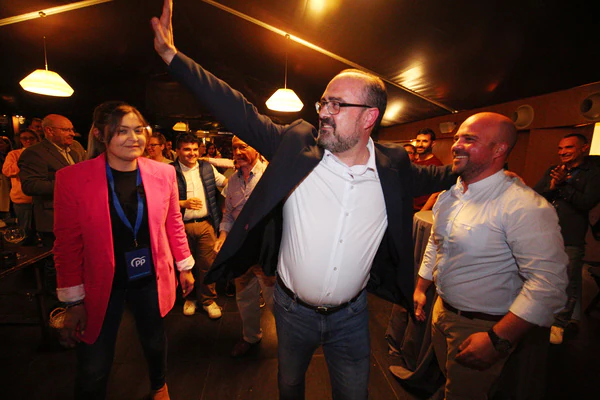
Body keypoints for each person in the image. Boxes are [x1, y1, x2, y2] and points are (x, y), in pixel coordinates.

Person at [152, 2, 455, 398]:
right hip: (291, 312)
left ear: (369, 117)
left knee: (353, 394)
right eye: (323, 103)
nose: (324, 112)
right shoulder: (297, 146)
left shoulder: (394, 166)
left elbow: (444, 173)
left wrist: (485, 168)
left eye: (336, 105)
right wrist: (173, 58)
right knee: (290, 386)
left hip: (353, 316)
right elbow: (237, 110)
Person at [413, 112, 568, 400]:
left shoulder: (523, 205)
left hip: (484, 325)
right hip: (442, 312)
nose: (456, 145)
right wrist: (422, 287)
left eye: (469, 139)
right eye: (457, 137)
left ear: (499, 150)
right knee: (452, 381)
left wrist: (499, 339)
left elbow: (549, 284)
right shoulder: (450, 195)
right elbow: (437, 243)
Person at [53, 102, 194, 400]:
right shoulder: (72, 179)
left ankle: (159, 385)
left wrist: (184, 265)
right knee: (95, 362)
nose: (134, 138)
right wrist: (73, 299)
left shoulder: (163, 173)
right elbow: (66, 243)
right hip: (101, 281)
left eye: (138, 130)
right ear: (100, 135)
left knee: (155, 340)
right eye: (122, 132)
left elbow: (173, 222)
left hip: (151, 276)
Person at [534, 133, 600, 344]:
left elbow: (586, 202)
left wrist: (564, 185)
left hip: (570, 235)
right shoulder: (554, 170)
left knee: (568, 280)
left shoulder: (594, 174)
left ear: (584, 148)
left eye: (568, 148)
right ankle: (539, 315)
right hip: (545, 232)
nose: (562, 152)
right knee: (542, 274)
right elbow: (536, 196)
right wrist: (552, 187)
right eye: (560, 148)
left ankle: (560, 323)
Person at [214, 136, 274, 357]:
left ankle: (290, 340)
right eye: (234, 148)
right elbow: (228, 214)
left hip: (266, 251)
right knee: (245, 297)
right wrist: (222, 236)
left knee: (274, 298)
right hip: (241, 250)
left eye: (243, 146)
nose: (238, 152)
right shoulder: (232, 181)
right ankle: (251, 337)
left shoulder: (272, 175)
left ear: (257, 149)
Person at [173, 133, 227, 319]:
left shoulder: (206, 167)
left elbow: (224, 182)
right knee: (186, 265)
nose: (192, 153)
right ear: (178, 150)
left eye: (195, 149)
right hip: (180, 226)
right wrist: (182, 203)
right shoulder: (170, 171)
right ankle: (189, 299)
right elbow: (161, 200)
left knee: (207, 264)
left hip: (206, 223)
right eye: (187, 149)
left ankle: (208, 300)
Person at [19, 114, 85, 247]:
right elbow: (30, 186)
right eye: (66, 130)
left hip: (76, 217)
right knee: (56, 264)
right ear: (49, 131)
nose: (72, 133)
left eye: (72, 129)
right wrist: (70, 185)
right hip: (53, 220)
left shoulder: (73, 153)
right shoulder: (34, 153)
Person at [2, 129, 39, 242]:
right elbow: (7, 170)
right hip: (22, 198)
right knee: (26, 232)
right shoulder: (14, 154)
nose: (28, 141)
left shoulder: (41, 154)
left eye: (31, 138)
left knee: (42, 231)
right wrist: (24, 162)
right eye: (24, 138)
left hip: (40, 197)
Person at [413, 128, 443, 211]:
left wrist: (420, 214)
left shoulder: (436, 165)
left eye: (425, 141)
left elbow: (435, 195)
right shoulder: (414, 162)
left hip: (422, 211)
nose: (420, 145)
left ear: (433, 143)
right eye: (418, 141)